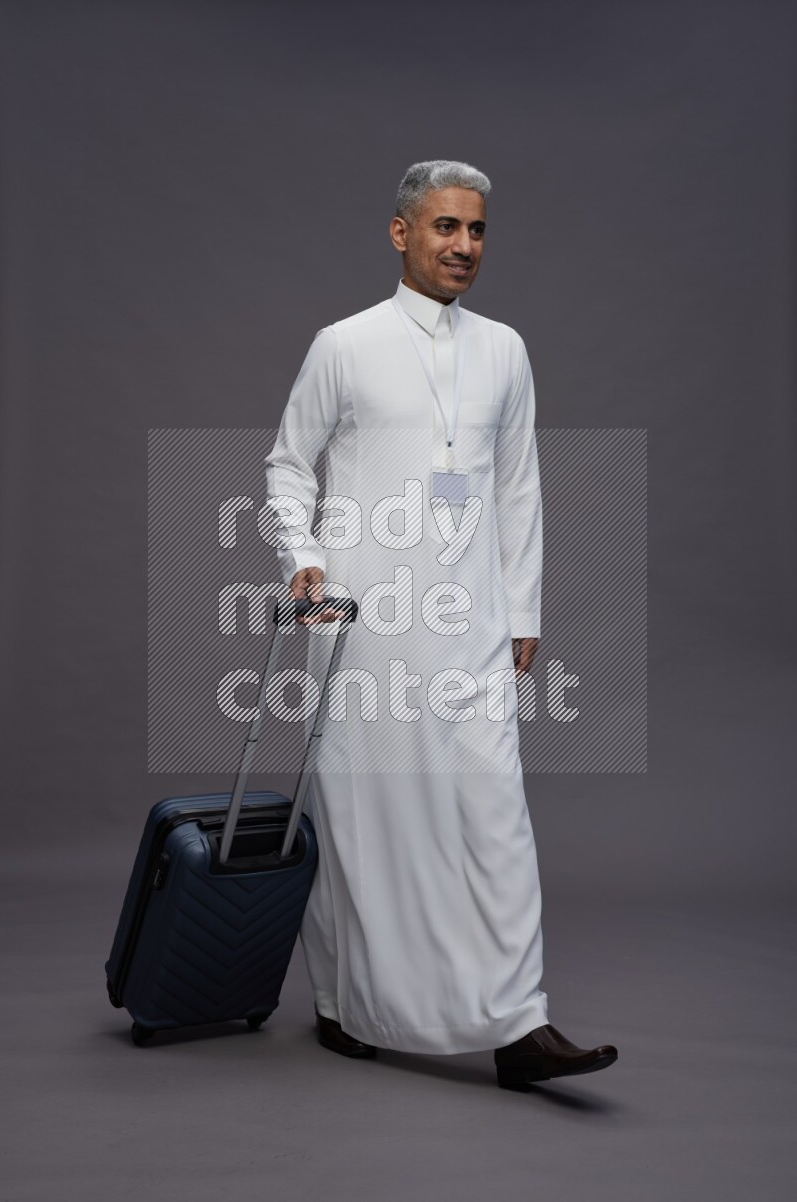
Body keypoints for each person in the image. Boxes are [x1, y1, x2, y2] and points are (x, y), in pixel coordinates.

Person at [263, 160, 617, 1089]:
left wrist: (525, 608)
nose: (465, 247)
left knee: (493, 813)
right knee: (362, 818)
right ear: (400, 234)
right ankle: (346, 1006)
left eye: (477, 231)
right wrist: (300, 558)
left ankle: (521, 1026)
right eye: (446, 228)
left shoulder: (505, 348)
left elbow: (518, 487)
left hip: (471, 622)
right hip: (361, 621)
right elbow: (287, 467)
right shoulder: (344, 344)